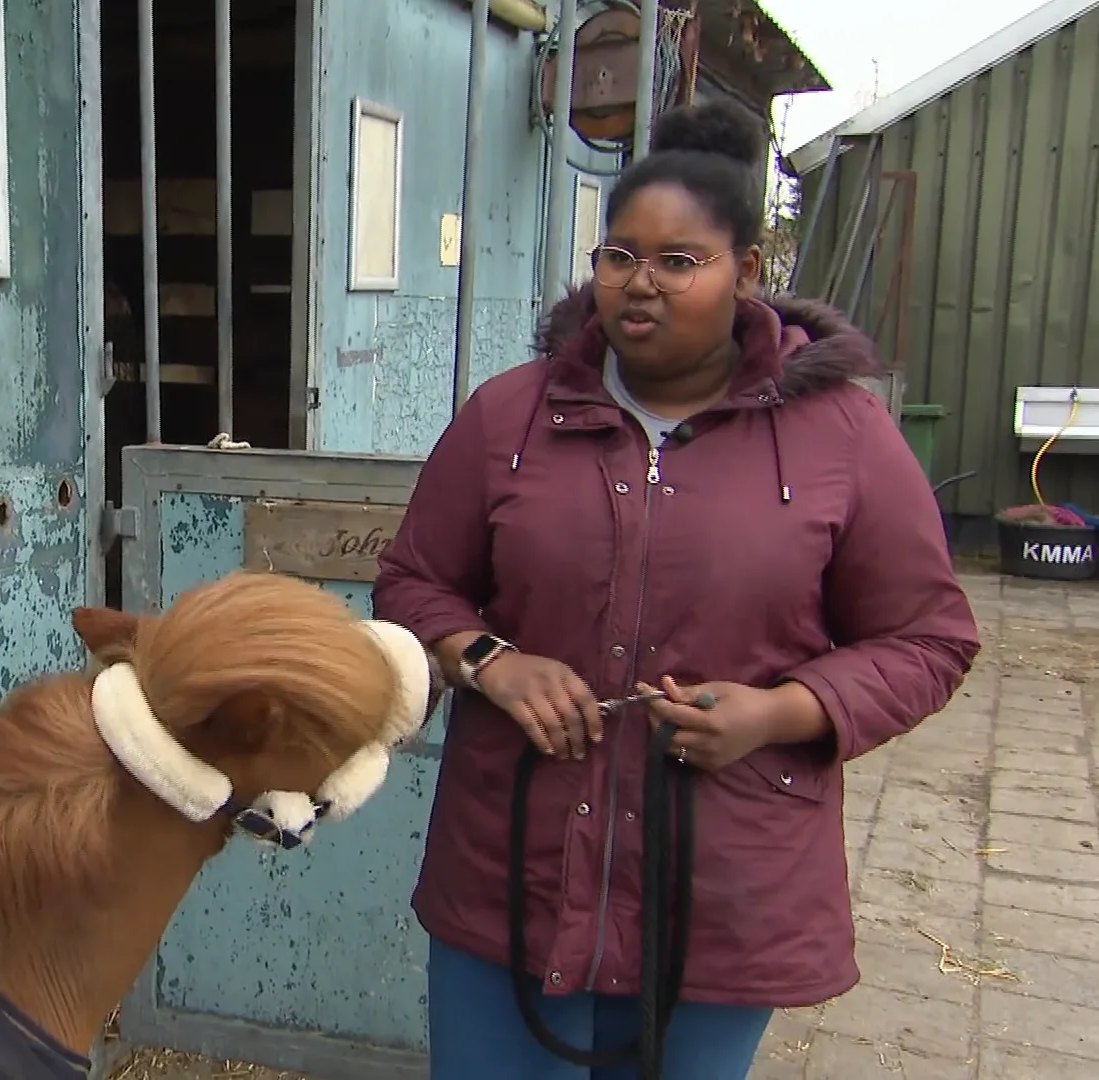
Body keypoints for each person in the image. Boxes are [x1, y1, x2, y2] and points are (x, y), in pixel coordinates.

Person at [372, 99, 980, 1080]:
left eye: (679, 261)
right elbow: (413, 582)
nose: (639, 284)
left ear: (747, 271)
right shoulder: (509, 419)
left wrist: (784, 710)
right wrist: (491, 662)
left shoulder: (842, 440)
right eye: (619, 256)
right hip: (514, 879)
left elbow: (930, 640)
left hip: (725, 894)